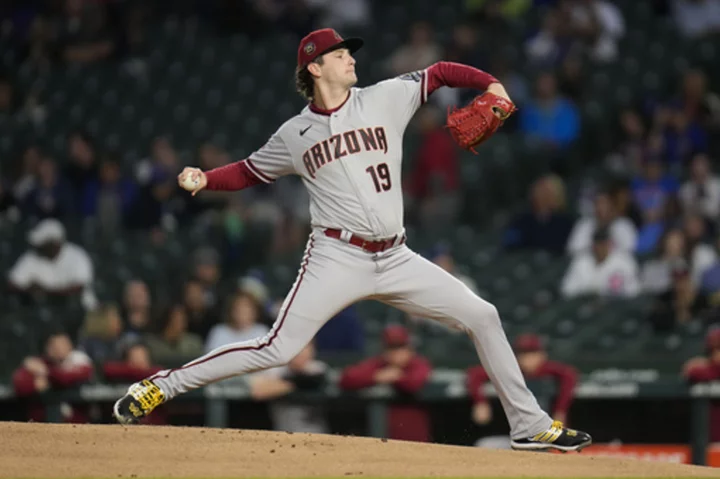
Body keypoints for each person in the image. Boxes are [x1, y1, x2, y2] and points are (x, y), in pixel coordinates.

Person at [113, 27, 591, 452]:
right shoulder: (295, 133)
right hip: (336, 255)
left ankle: (528, 426)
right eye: (340, 54)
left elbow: (441, 71)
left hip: (397, 255)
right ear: (314, 67)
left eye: (349, 52)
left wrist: (491, 84)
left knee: (483, 316)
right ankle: (162, 385)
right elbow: (248, 171)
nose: (352, 58)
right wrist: (205, 179)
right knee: (277, 349)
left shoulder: (385, 96)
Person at [339, 325, 432, 442]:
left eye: (400, 347)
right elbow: (346, 379)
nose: (396, 353)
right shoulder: (378, 365)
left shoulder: (418, 364)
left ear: (409, 348)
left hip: (412, 432)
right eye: (392, 348)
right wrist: (375, 377)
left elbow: (413, 384)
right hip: (380, 433)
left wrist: (397, 378)